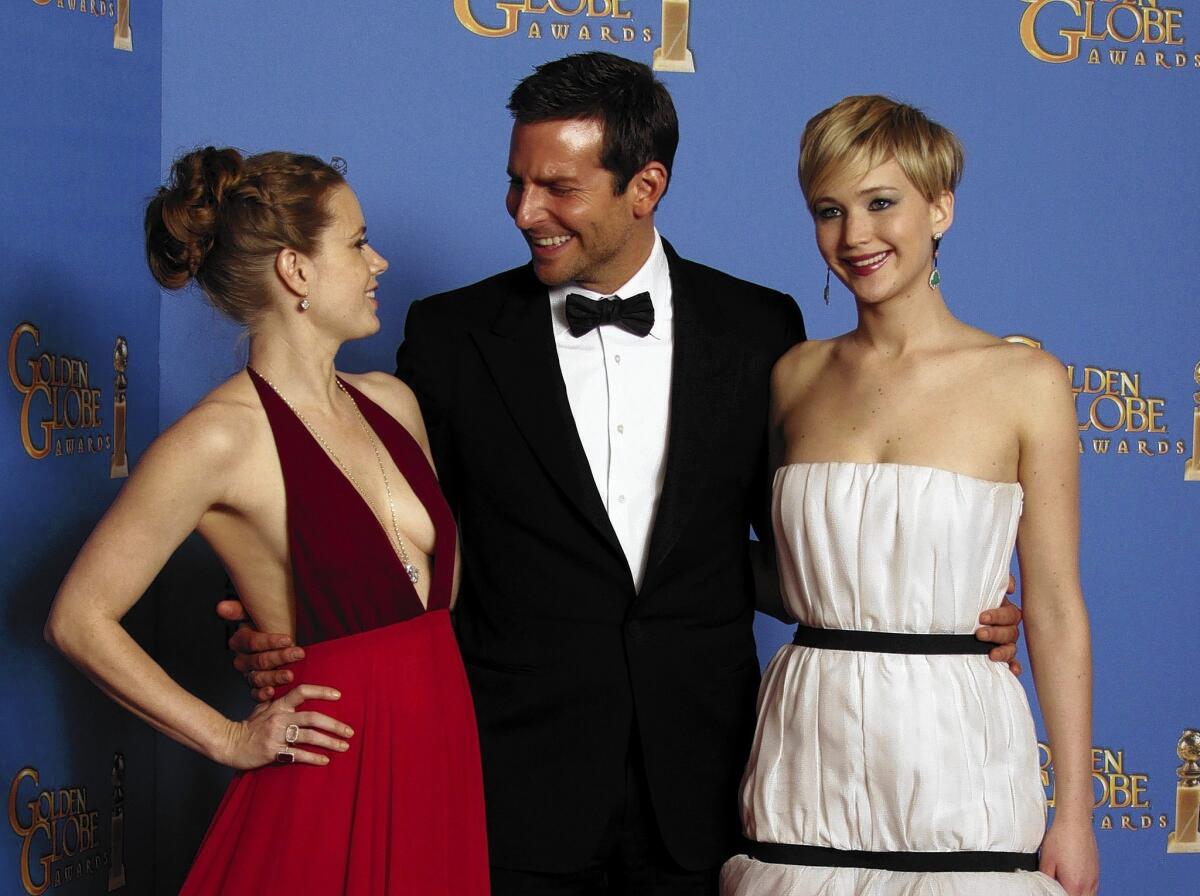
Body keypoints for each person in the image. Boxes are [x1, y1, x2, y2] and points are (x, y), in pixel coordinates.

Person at [228, 54, 1023, 895]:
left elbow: (791, 545)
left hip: (713, 787)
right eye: (516, 183)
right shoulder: (450, 337)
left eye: (558, 188)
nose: (525, 211)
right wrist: (279, 612)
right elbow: (407, 545)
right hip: (508, 785)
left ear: (644, 186)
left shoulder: (759, 328)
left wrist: (933, 618)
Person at [44, 147, 489, 895]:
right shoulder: (220, 437)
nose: (378, 262)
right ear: (295, 270)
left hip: (438, 757)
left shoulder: (394, 402)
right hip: (327, 778)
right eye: (356, 242)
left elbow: (429, 604)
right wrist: (226, 737)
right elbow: (78, 619)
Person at [721, 96, 1099, 896]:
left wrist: (1073, 811)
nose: (855, 236)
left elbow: (1058, 603)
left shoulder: (1027, 382)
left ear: (941, 208)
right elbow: (791, 571)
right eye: (830, 211)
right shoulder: (793, 377)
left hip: (958, 758)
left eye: (881, 202)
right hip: (807, 753)